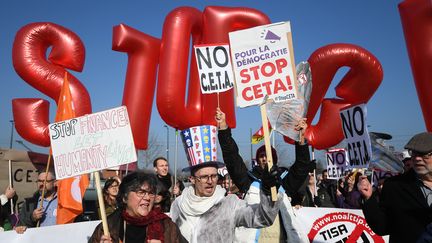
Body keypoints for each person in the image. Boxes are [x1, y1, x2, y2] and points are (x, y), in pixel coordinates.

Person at [216, 108, 312, 243]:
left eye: (268, 155)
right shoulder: (248, 181)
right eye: (261, 156)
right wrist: (223, 129)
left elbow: (302, 167)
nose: (265, 159)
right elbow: (232, 159)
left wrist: (301, 139)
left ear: (275, 159)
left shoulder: (284, 181)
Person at [170, 160, 281, 243]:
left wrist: (268, 191)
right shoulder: (178, 205)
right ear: (192, 179)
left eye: (214, 176)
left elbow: (262, 218)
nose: (210, 181)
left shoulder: (229, 204)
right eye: (204, 177)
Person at [358, 132, 432, 243]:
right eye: (413, 153)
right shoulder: (394, 186)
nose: (417, 158)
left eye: (424, 154)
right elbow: (382, 227)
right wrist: (368, 198)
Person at [89, 171, 186, 243]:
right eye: (141, 192)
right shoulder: (108, 226)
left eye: (151, 193)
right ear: (124, 197)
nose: (147, 198)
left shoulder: (167, 226)